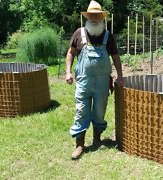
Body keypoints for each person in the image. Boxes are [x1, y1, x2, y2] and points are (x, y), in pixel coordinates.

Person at [65, 0, 124, 160]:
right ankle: (79, 145)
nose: (94, 18)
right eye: (91, 15)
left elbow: (116, 58)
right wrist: (68, 72)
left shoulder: (108, 36)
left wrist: (120, 76)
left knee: (99, 111)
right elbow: (70, 53)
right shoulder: (79, 33)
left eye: (97, 15)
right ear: (87, 16)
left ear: (102, 17)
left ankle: (97, 139)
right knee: (81, 111)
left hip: (102, 83)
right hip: (83, 82)